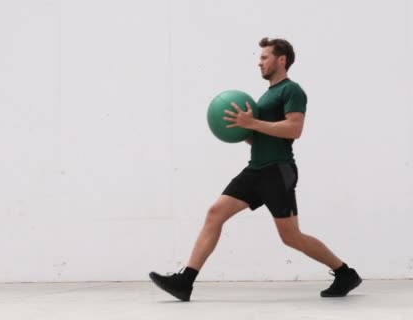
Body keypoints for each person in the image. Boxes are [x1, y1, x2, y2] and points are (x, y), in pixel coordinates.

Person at [149, 38, 361, 301]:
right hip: (256, 169)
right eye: (259, 58)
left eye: (264, 57)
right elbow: (262, 134)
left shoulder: (291, 91)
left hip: (277, 170)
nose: (259, 62)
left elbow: (295, 129)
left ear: (281, 60)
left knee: (291, 237)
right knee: (215, 213)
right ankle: (185, 282)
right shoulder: (265, 96)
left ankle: (345, 273)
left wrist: (253, 123)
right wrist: (242, 130)